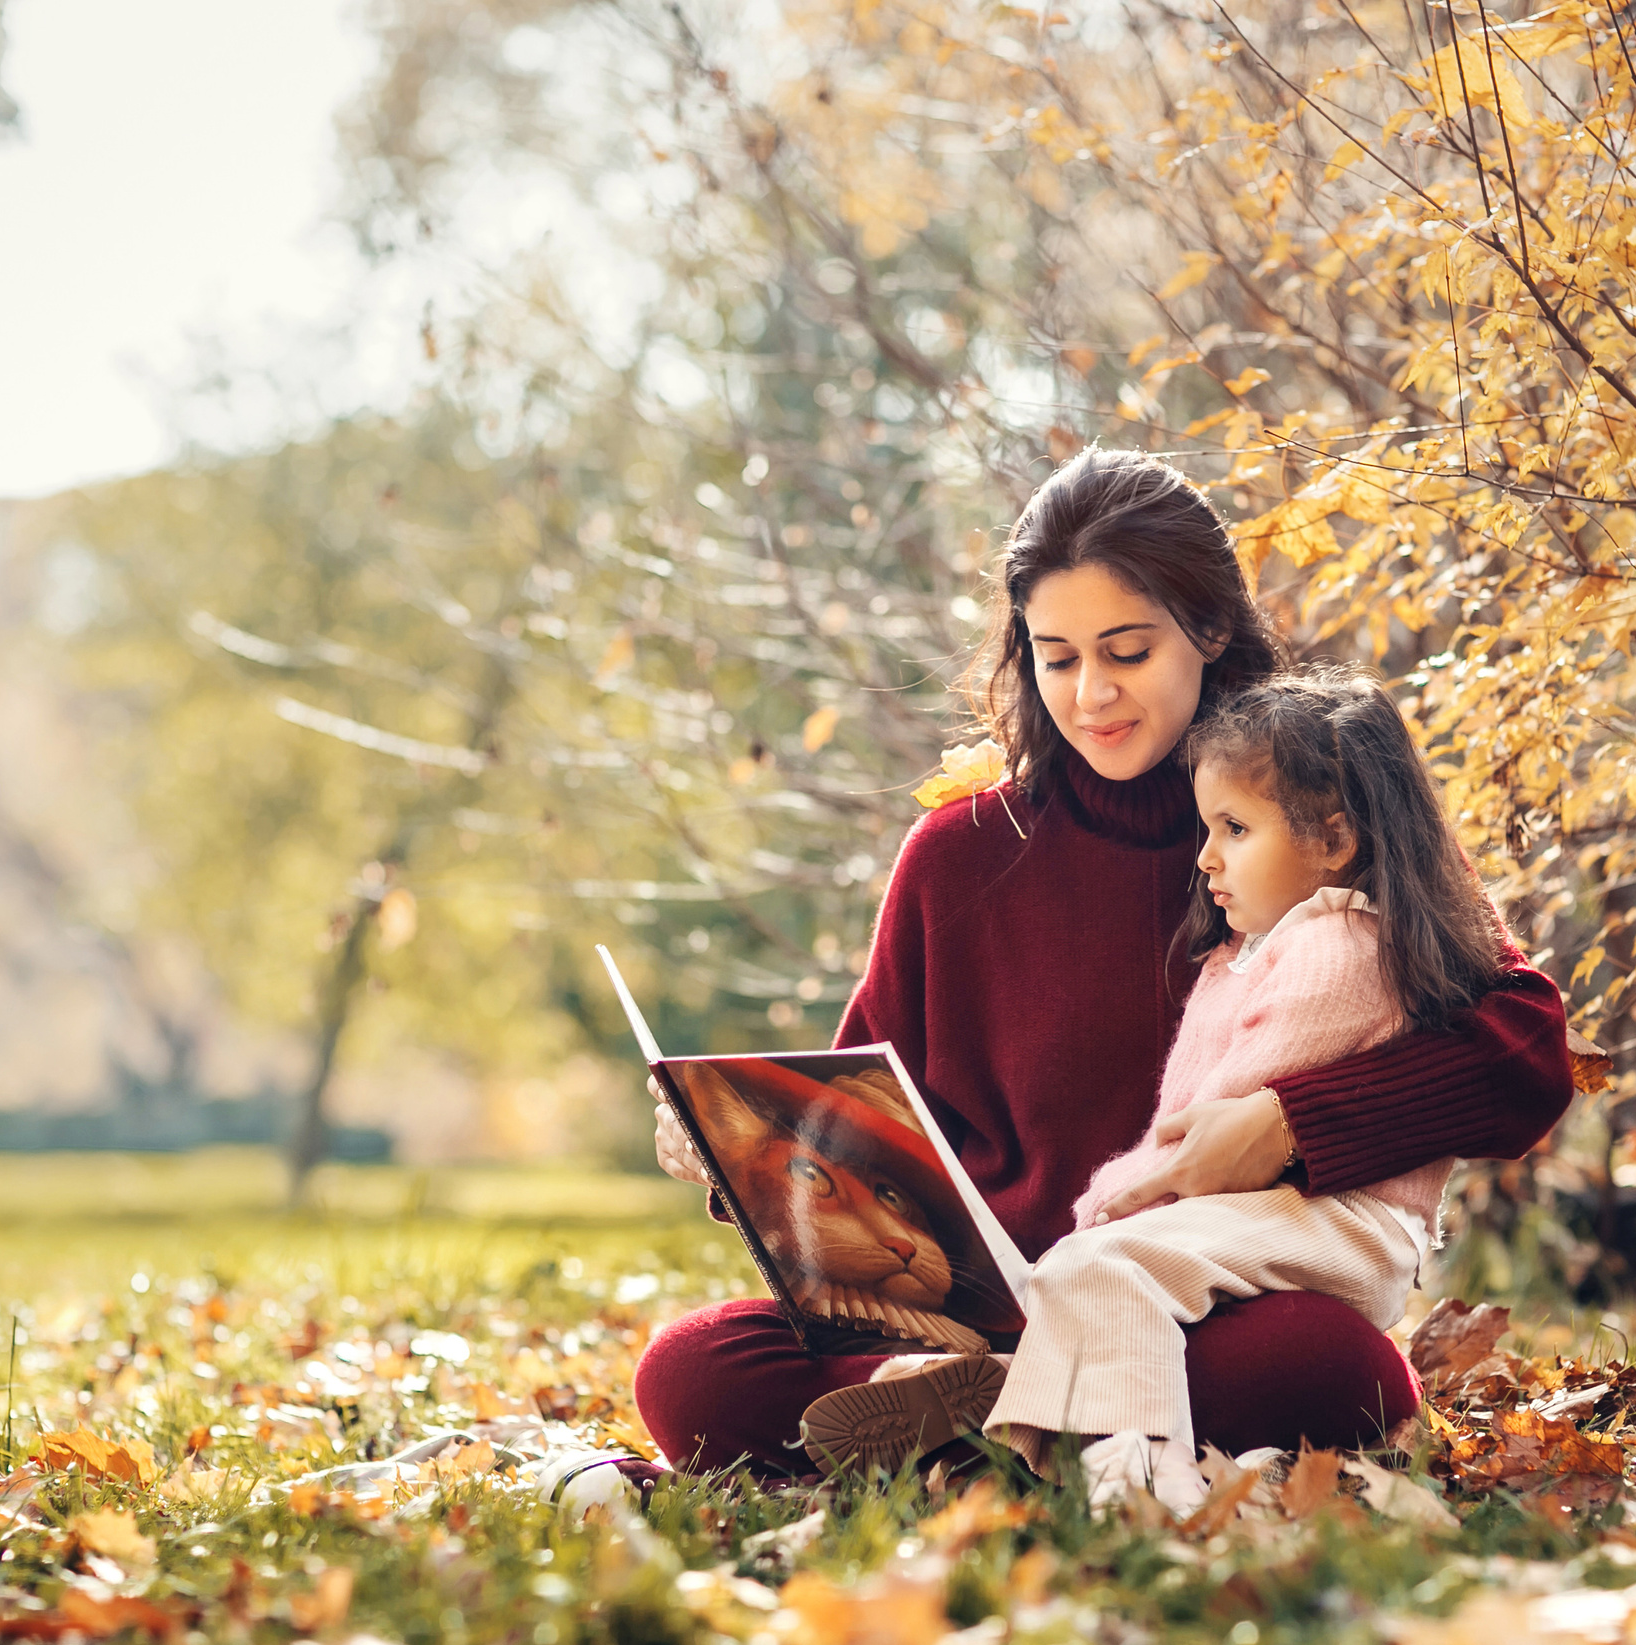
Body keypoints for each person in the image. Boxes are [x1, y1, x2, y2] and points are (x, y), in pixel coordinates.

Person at [635, 448, 1573, 1477]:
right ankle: (996, 1413)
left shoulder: (1309, 817)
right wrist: (736, 1149)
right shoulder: (955, 859)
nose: (1090, 695)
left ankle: (979, 1438)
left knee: (1328, 1371)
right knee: (690, 1370)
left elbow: (1526, 1055)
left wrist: (1287, 1128)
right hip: (979, 1319)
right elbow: (863, 1128)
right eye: (1056, 656)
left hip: (1194, 1309)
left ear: (1208, 631)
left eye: (1126, 651)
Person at [955, 667, 1511, 1512]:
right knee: (1085, 1274)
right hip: (1294, 1217)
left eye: (1234, 827)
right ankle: (1069, 1438)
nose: (1206, 855)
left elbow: (1212, 1141)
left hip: (1346, 1221)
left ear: (1334, 839)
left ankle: (1147, 1487)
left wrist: (1109, 1198)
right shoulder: (1253, 952)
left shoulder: (1337, 950)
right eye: (1208, 825)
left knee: (1095, 1265)